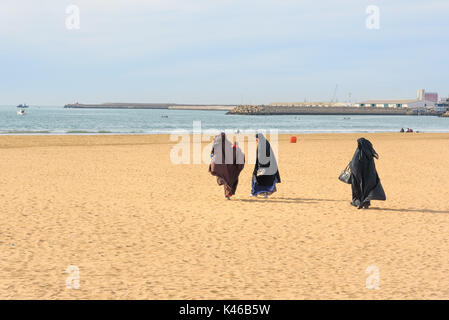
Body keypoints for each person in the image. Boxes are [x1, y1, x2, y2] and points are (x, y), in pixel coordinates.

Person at [349, 138, 386, 209]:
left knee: (358, 188)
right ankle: (365, 203)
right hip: (368, 177)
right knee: (367, 189)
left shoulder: (358, 153)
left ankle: (359, 202)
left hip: (359, 177)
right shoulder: (369, 153)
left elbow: (354, 166)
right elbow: (372, 167)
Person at [209, 133, 245, 199]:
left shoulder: (217, 144)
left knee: (223, 176)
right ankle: (228, 194)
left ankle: (227, 193)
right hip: (229, 166)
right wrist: (236, 147)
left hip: (222, 165)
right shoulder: (226, 143)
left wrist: (212, 158)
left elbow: (212, 153)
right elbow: (233, 149)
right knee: (229, 178)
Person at [251, 133, 281, 198]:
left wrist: (259, 166)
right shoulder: (265, 142)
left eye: (256, 139)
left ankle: (255, 193)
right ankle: (265, 194)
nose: (256, 140)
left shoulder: (262, 144)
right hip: (269, 166)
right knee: (267, 180)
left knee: (255, 178)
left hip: (263, 166)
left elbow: (261, 156)